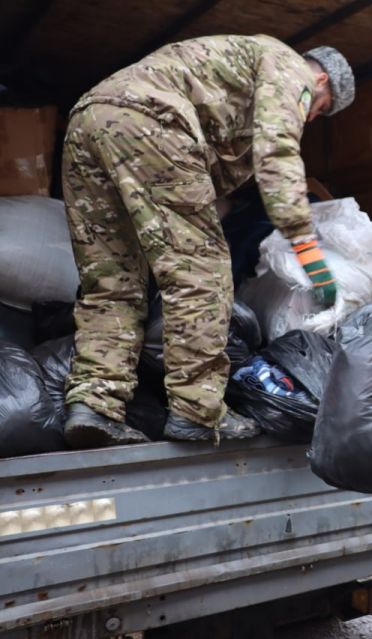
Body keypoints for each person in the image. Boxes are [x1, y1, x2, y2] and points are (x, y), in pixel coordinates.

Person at [60, 35, 355, 448]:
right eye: (320, 108)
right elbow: (277, 151)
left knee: (113, 282)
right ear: (321, 80)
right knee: (200, 274)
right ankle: (196, 410)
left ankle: (93, 405)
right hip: (152, 122)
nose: (310, 116)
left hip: (88, 121)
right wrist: (305, 244)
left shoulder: (243, 64)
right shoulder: (290, 68)